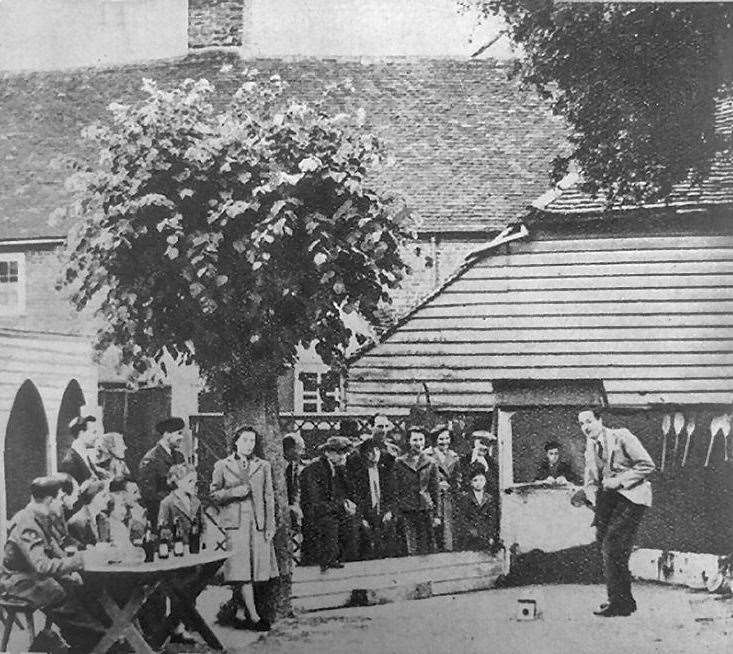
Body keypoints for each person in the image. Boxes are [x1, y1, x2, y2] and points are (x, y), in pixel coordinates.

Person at [579, 407, 655, 617]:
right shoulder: (590, 446)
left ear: (599, 420)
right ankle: (624, 601)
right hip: (609, 500)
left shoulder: (621, 436)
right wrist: (586, 493)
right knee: (606, 543)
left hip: (632, 497)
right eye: (582, 424)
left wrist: (619, 481)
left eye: (589, 421)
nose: (585, 427)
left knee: (612, 546)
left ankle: (618, 603)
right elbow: (592, 478)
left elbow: (647, 465)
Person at [210, 426, 279, 632]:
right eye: (245, 440)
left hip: (257, 523)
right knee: (241, 570)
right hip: (235, 525)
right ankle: (254, 617)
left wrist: (269, 525)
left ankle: (239, 613)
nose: (249, 445)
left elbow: (269, 496)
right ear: (236, 442)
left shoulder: (263, 465)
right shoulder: (222, 465)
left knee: (255, 570)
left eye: (252, 441)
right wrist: (234, 493)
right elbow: (214, 494)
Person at [0, 477, 86, 642]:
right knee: (62, 594)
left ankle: (87, 638)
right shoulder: (27, 522)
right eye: (60, 499)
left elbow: (53, 552)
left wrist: (72, 570)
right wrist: (79, 560)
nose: (62, 505)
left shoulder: (39, 518)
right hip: (16, 582)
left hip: (29, 576)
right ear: (49, 500)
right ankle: (86, 640)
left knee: (77, 587)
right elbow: (42, 565)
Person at [300, 436, 356, 572]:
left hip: (333, 512)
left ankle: (352, 564)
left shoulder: (340, 468)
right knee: (330, 525)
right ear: (327, 452)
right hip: (316, 516)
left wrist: (348, 504)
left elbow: (349, 494)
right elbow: (314, 504)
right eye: (339, 452)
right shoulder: (313, 470)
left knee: (357, 524)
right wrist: (341, 506)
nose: (343, 456)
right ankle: (329, 562)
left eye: (345, 452)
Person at [394, 426, 441, 556]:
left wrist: (437, 515)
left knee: (426, 547)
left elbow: (435, 489)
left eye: (421, 439)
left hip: (425, 509)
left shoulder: (431, 462)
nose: (418, 443)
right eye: (415, 440)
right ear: (409, 441)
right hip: (407, 510)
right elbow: (396, 489)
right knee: (409, 547)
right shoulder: (399, 462)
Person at [350, 439, 397, 560]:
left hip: (384, 513)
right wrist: (362, 518)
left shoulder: (386, 472)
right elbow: (357, 498)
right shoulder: (358, 475)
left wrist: (389, 511)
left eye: (377, 450)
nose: (375, 454)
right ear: (365, 454)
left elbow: (393, 495)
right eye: (370, 451)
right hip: (366, 515)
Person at [138, 417, 187, 526]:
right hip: (160, 517)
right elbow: (149, 494)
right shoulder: (151, 459)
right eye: (179, 433)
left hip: (179, 516)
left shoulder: (179, 456)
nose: (182, 437)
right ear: (167, 434)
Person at [425, 424, 461, 552]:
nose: (444, 442)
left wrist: (453, 486)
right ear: (435, 440)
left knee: (448, 530)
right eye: (441, 439)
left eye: (447, 438)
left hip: (448, 497)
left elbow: (457, 478)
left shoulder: (454, 456)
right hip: (433, 497)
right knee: (434, 529)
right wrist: (436, 485)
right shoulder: (427, 455)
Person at [456, 465, 499, 552]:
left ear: (485, 481)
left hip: (485, 536)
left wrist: (490, 535)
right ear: (471, 482)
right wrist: (471, 530)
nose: (479, 483)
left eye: (481, 480)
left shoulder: (489, 498)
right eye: (475, 480)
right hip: (470, 537)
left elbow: (492, 519)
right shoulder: (465, 498)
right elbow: (462, 518)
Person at [158, 463, 202, 544]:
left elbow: (203, 526)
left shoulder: (196, 501)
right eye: (190, 481)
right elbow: (163, 529)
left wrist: (203, 541)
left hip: (196, 548)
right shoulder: (167, 502)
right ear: (178, 482)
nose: (194, 485)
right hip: (177, 549)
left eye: (195, 481)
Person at [283, 432, 306, 564]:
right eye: (300, 448)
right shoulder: (280, 467)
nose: (302, 453)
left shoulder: (296, 466)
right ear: (290, 449)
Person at [67, 480, 110, 548]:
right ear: (92, 497)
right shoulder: (76, 522)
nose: (108, 499)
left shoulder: (103, 519)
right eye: (103, 496)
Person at [58, 414, 99, 484]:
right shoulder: (69, 462)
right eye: (94, 432)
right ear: (81, 433)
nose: (97, 437)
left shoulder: (84, 456)